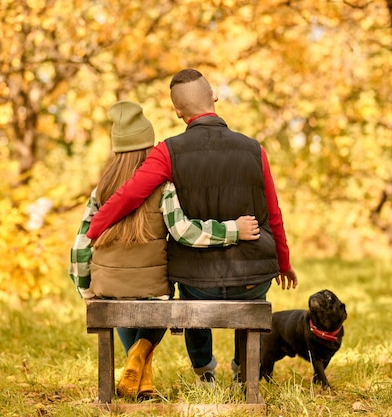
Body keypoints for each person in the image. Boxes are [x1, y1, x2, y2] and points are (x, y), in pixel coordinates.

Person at [86, 69, 298, 383]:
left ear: (177, 112)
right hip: (252, 280)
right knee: (252, 296)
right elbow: (274, 214)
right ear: (214, 97)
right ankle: (242, 367)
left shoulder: (167, 152)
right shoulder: (255, 150)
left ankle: (204, 372)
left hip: (197, 285)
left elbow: (128, 196)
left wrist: (93, 230)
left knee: (190, 289)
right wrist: (284, 262)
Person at [69, 100, 260, 399]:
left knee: (118, 299)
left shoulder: (101, 190)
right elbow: (184, 232)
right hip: (153, 291)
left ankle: (143, 381)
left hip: (109, 290)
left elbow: (80, 246)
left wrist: (87, 292)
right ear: (148, 148)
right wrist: (233, 229)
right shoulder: (163, 186)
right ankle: (140, 354)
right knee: (159, 294)